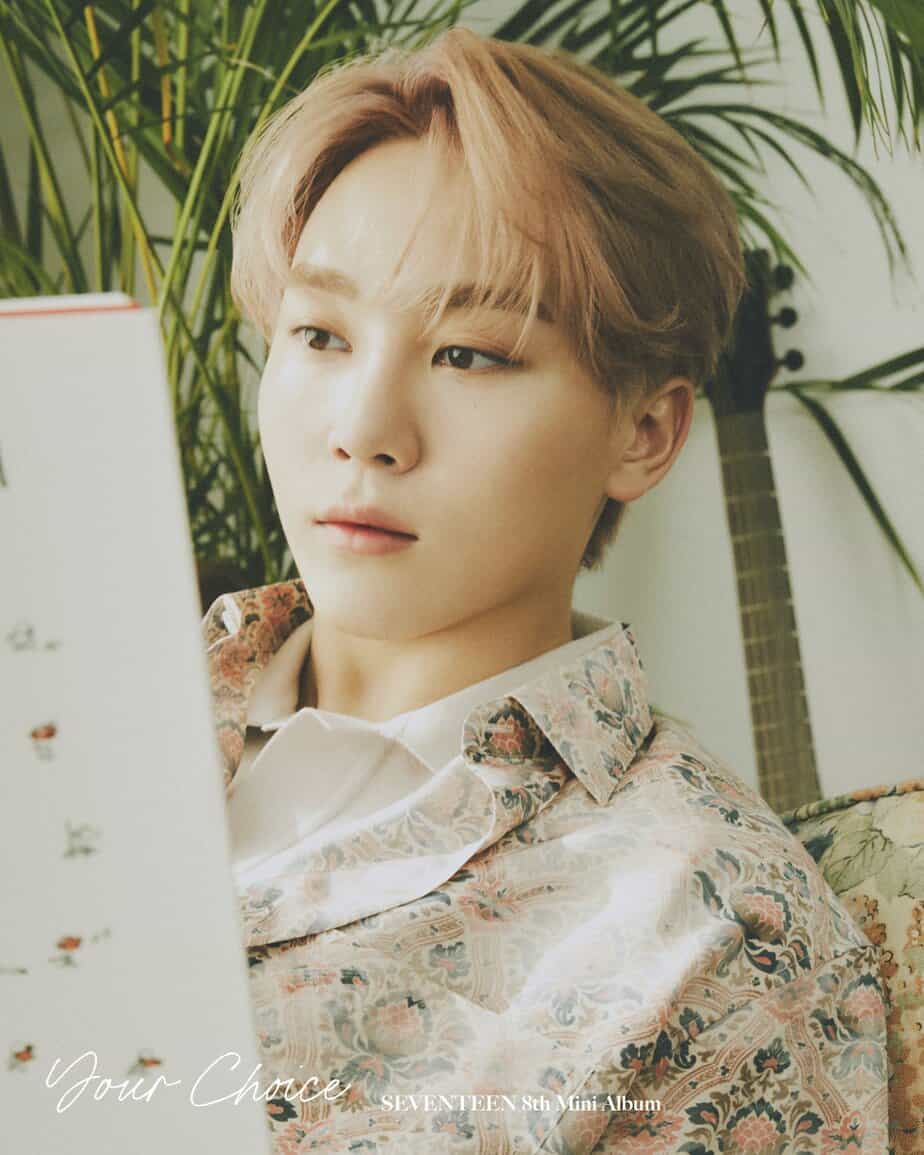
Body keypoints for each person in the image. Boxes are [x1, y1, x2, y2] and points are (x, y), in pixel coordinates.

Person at [203, 25, 889, 1154]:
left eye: (468, 353)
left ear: (645, 429)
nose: (363, 430)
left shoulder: (711, 931)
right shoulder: (77, 702)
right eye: (319, 334)